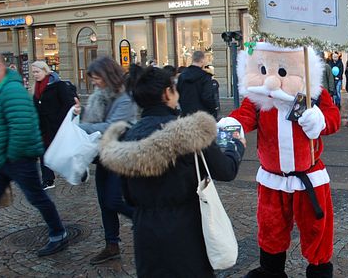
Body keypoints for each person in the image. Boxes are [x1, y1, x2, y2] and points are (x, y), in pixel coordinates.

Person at [98, 65, 245, 276]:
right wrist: (235, 147)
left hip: (145, 233)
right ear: (167, 93)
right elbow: (226, 170)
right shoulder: (189, 132)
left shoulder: (126, 137)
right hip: (186, 231)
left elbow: (126, 196)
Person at [219, 43, 340, 278]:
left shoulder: (313, 93)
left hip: (309, 178)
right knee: (270, 226)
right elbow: (243, 117)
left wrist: (319, 119)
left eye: (282, 72)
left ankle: (319, 270)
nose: (272, 81)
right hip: (272, 179)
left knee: (317, 229)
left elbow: (333, 117)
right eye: (264, 70)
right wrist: (229, 126)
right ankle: (271, 270)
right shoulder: (258, 98)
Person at [0, 52, 68, 268]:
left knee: (37, 197)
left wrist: (10, 157)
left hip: (18, 159)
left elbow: (22, 127)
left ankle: (58, 232)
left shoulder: (12, 90)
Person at [73, 56, 137, 265]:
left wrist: (80, 128)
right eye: (92, 79)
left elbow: (112, 126)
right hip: (103, 156)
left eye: (97, 78)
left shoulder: (125, 98)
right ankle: (112, 245)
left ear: (109, 75)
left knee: (114, 200)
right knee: (105, 203)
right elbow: (93, 122)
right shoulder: (99, 97)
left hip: (121, 154)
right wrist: (78, 115)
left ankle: (145, 220)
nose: (95, 83)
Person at [31, 61, 77, 190]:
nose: (35, 74)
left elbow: (68, 104)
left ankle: (79, 170)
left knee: (65, 153)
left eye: (37, 71)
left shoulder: (58, 85)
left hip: (57, 126)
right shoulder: (36, 87)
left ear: (45, 71)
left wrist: (58, 119)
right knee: (44, 153)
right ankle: (48, 180)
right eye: (33, 72)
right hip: (43, 127)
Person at [177, 51, 219, 119]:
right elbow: (207, 97)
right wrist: (213, 109)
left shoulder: (182, 76)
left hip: (186, 114)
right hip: (202, 115)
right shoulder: (205, 77)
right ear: (202, 60)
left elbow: (178, 94)